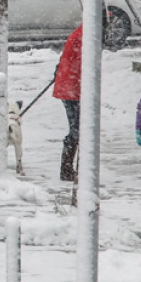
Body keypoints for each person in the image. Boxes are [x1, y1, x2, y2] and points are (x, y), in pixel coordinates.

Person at [53, 23, 83, 182]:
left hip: (70, 85)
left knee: (77, 129)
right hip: (72, 89)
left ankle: (68, 168)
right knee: (77, 130)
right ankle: (66, 169)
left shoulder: (82, 33)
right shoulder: (84, 37)